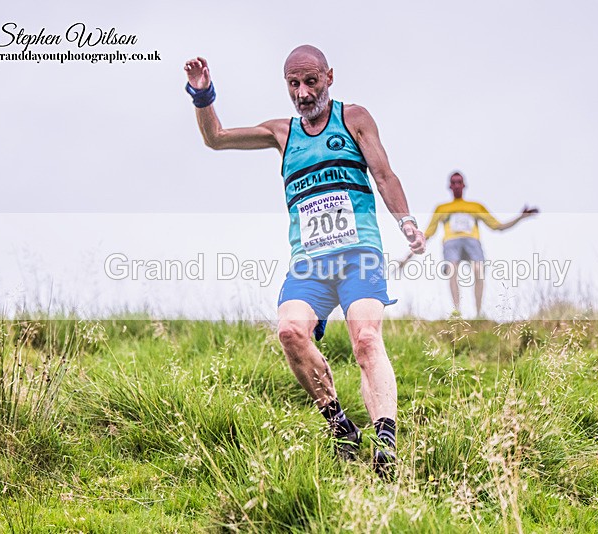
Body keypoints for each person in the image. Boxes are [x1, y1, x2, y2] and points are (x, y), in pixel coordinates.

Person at [184, 45, 425, 479]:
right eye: (294, 84)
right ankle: (341, 428)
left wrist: (406, 221)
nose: (302, 92)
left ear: (329, 77)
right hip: (310, 263)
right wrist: (202, 94)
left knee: (367, 340)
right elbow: (215, 138)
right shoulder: (282, 133)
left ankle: (385, 444)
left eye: (310, 81)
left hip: (359, 253)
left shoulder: (354, 119)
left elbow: (385, 175)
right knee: (290, 331)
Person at [399, 171, 537, 317]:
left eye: (459, 182)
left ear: (464, 185)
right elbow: (426, 235)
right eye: (454, 182)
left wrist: (520, 218)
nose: (457, 185)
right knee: (452, 270)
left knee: (478, 270)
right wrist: (407, 258)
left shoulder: (476, 206)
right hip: (451, 242)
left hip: (472, 242)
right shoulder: (442, 208)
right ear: (450, 186)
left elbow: (498, 226)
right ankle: (457, 312)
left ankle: (478, 314)